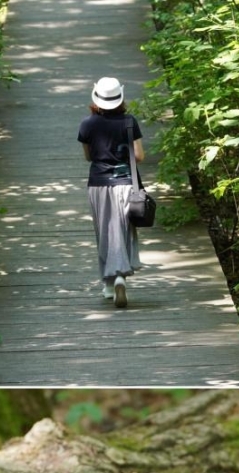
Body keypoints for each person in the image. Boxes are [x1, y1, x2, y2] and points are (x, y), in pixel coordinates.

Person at [77, 77, 145, 308]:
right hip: (125, 183)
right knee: (124, 230)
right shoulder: (129, 121)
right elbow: (138, 156)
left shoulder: (87, 124)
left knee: (104, 231)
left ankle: (108, 284)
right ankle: (119, 277)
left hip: (98, 184)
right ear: (120, 98)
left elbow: (88, 156)